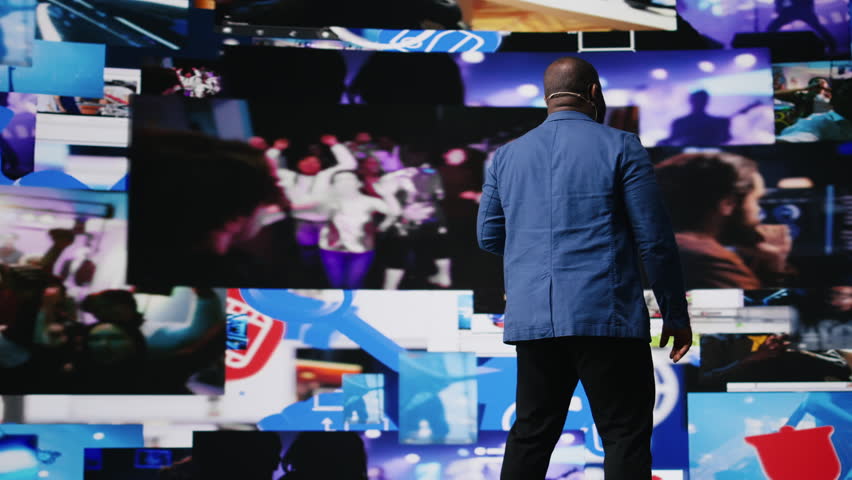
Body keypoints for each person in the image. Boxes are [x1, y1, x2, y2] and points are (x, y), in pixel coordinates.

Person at [476, 57, 692, 480]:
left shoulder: (506, 156)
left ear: (546, 97)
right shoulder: (623, 145)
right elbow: (655, 241)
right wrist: (675, 313)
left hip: (536, 321)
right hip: (605, 318)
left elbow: (488, 236)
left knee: (531, 436)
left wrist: (534, 257)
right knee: (625, 437)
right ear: (594, 92)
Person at [653, 152, 794, 289]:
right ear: (728, 203)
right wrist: (776, 268)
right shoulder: (707, 259)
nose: (758, 212)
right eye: (755, 200)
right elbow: (758, 310)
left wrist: (770, 262)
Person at [318, 170, 401, 289]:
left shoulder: (369, 201)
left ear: (358, 183)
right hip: (331, 249)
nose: (344, 182)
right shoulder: (328, 201)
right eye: (339, 180)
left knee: (354, 284)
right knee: (336, 285)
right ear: (333, 185)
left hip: (362, 250)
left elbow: (395, 212)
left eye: (348, 179)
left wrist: (388, 195)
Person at [778, 78, 852, 142]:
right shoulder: (802, 98)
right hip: (804, 128)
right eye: (816, 84)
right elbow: (775, 94)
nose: (819, 86)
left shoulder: (831, 100)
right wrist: (805, 88)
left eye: (822, 84)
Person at [658, 90, 731, 146]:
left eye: (701, 100)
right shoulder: (679, 122)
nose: (698, 103)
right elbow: (672, 139)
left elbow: (725, 139)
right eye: (697, 100)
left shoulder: (718, 122)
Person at [766, 0, 837, 53]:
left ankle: (832, 44)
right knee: (771, 28)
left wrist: (779, 9)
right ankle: (832, 44)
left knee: (818, 27)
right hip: (793, 11)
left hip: (800, 10)